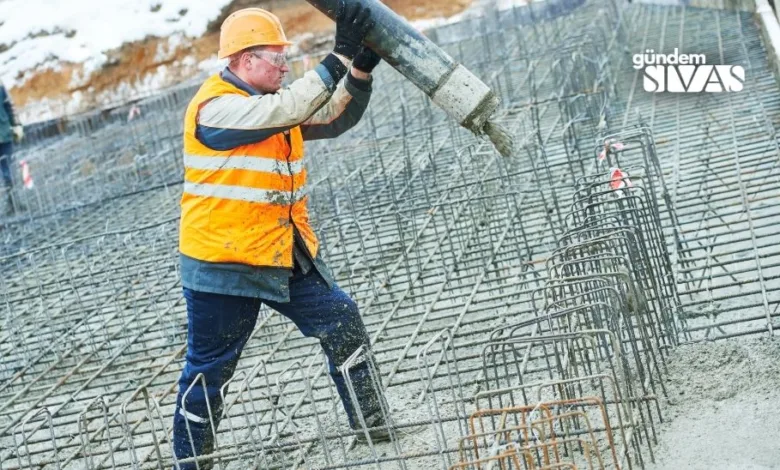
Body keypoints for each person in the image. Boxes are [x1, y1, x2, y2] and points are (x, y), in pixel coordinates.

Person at [173, 3, 386, 468]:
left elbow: (330, 116)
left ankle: (375, 429)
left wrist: (360, 71)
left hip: (279, 250)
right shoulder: (216, 108)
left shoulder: (269, 106)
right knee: (210, 371)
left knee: (343, 320)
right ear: (245, 60)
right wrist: (338, 54)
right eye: (277, 57)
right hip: (222, 264)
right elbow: (289, 106)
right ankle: (191, 463)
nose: (285, 65)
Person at [0, 83, 24, 214]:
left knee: (8, 170)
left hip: (4, 135)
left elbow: (8, 107)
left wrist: (15, 125)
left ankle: (13, 202)